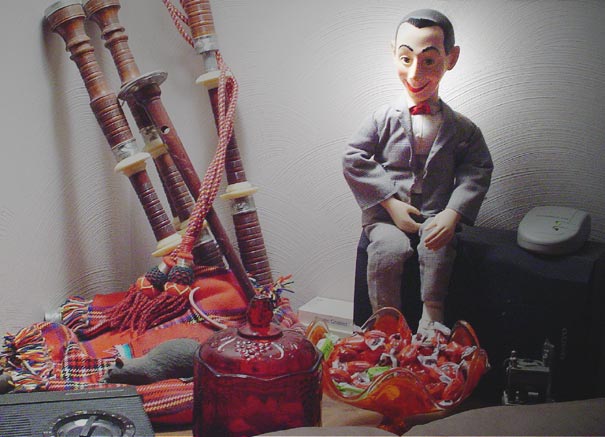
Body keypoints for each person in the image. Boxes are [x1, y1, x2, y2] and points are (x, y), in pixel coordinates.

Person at [342, 9, 493, 337]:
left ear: (451, 59)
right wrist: (389, 202)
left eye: (429, 60)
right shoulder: (383, 118)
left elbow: (477, 168)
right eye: (406, 58)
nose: (415, 73)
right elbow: (353, 157)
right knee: (388, 250)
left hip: (435, 214)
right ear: (393, 53)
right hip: (386, 218)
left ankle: (432, 315)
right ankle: (385, 320)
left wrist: (453, 213)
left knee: (438, 249)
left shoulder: (462, 127)